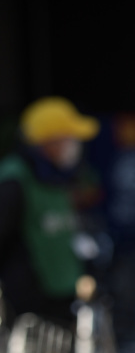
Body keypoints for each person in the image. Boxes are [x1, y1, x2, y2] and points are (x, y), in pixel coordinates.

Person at [0, 97, 100, 323]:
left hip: (63, 298)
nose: (75, 146)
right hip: (26, 311)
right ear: (48, 142)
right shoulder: (13, 180)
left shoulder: (61, 175)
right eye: (69, 139)